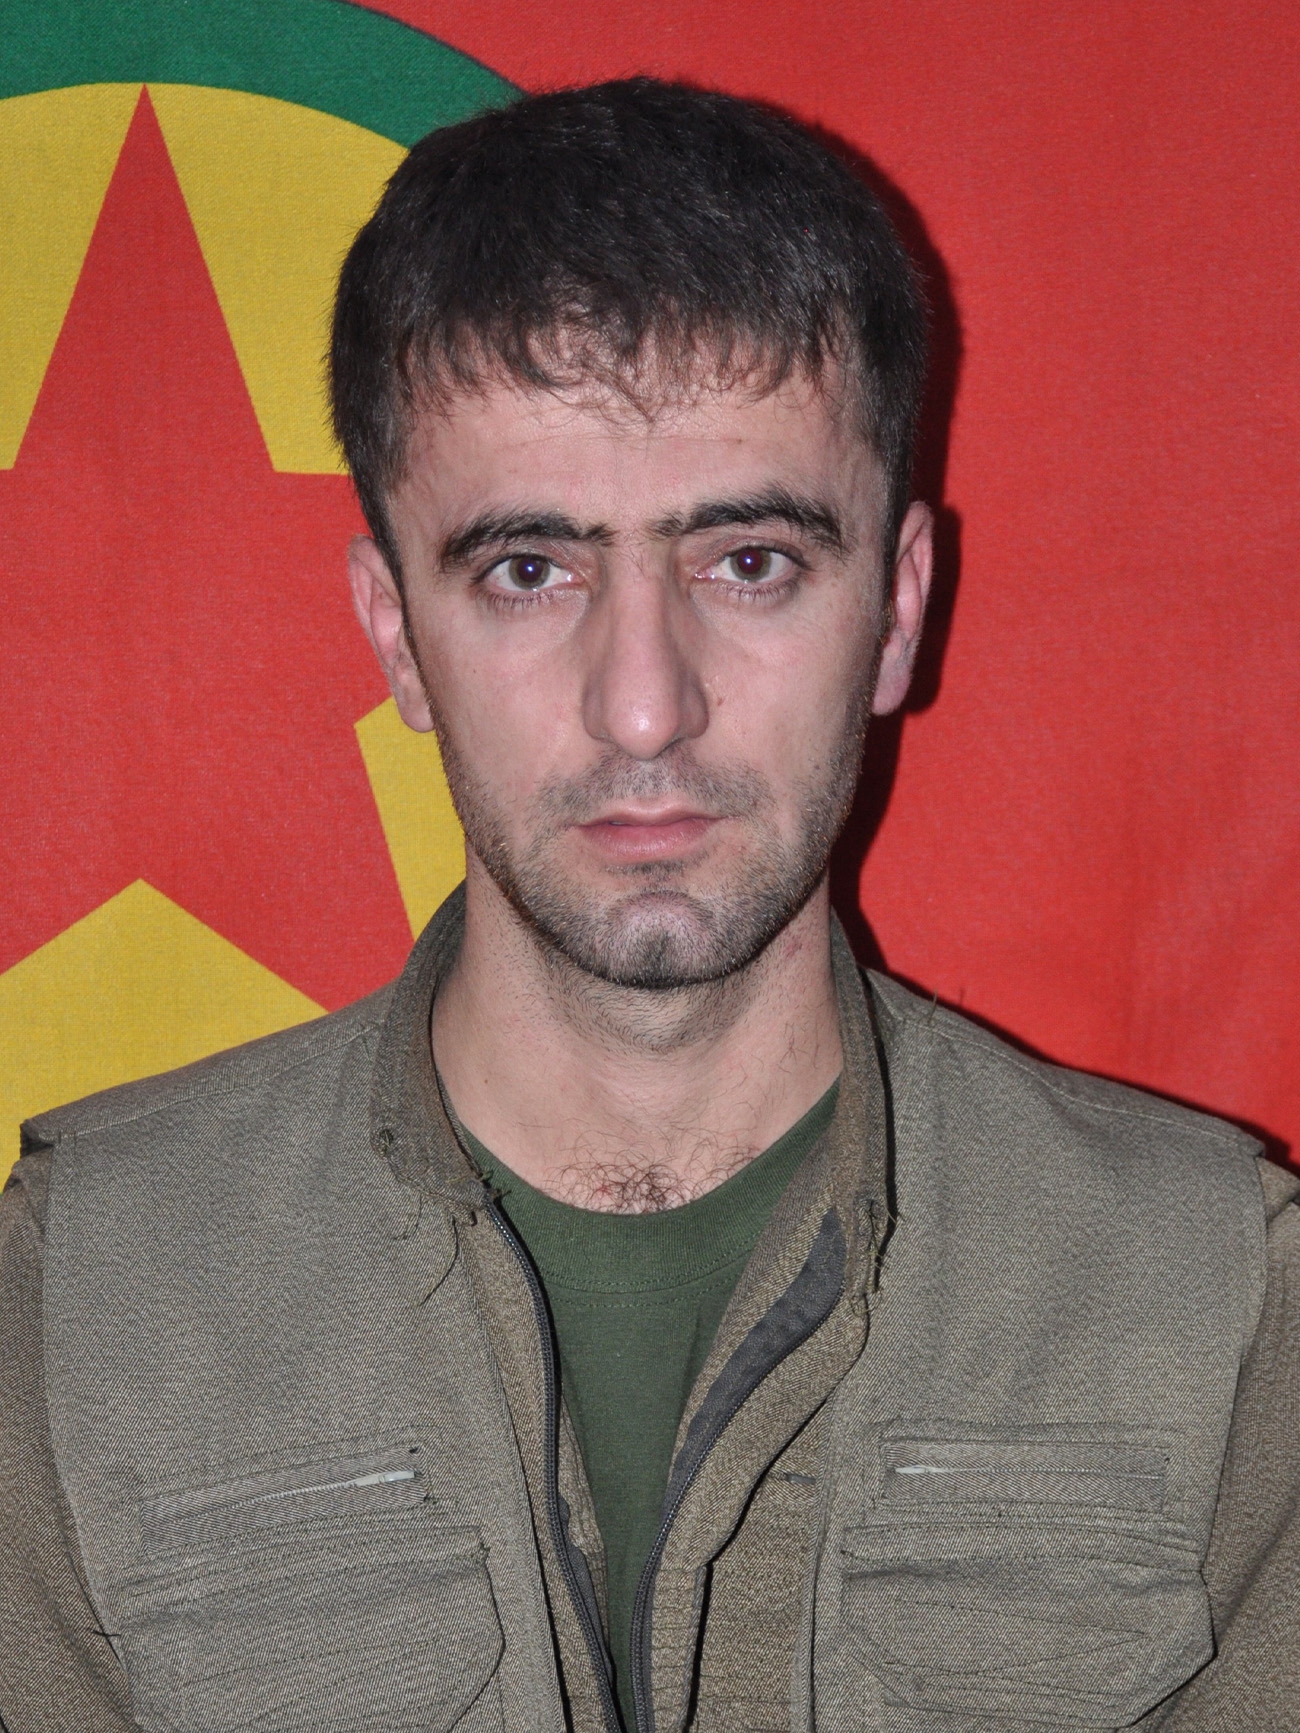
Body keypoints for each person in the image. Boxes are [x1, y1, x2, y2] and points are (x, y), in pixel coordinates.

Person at [0, 78, 1296, 1733]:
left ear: (899, 609)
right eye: (528, 570)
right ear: (397, 635)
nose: (641, 704)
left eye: (748, 561)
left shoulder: (1217, 1306)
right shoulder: (86, 1308)